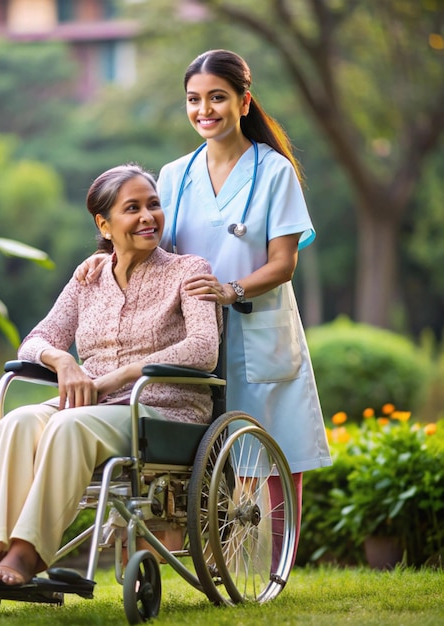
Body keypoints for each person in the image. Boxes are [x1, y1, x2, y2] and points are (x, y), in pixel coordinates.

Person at [77, 50, 332, 558]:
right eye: (194, 100)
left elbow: (283, 263)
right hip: (186, 332)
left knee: (271, 445)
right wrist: (101, 258)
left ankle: (269, 564)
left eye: (217, 98)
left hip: (255, 327)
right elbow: (145, 235)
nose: (205, 110)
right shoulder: (174, 174)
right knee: (197, 453)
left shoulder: (274, 171)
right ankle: (208, 554)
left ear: (243, 101)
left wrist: (230, 290)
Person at [0, 164, 220, 586]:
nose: (148, 217)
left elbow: (204, 347)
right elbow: (35, 340)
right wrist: (63, 361)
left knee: (69, 423)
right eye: (133, 208)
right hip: (93, 407)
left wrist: (121, 376)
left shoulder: (188, 270)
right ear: (104, 224)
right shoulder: (88, 278)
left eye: (153, 205)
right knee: (19, 420)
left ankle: (26, 556)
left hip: (161, 411)